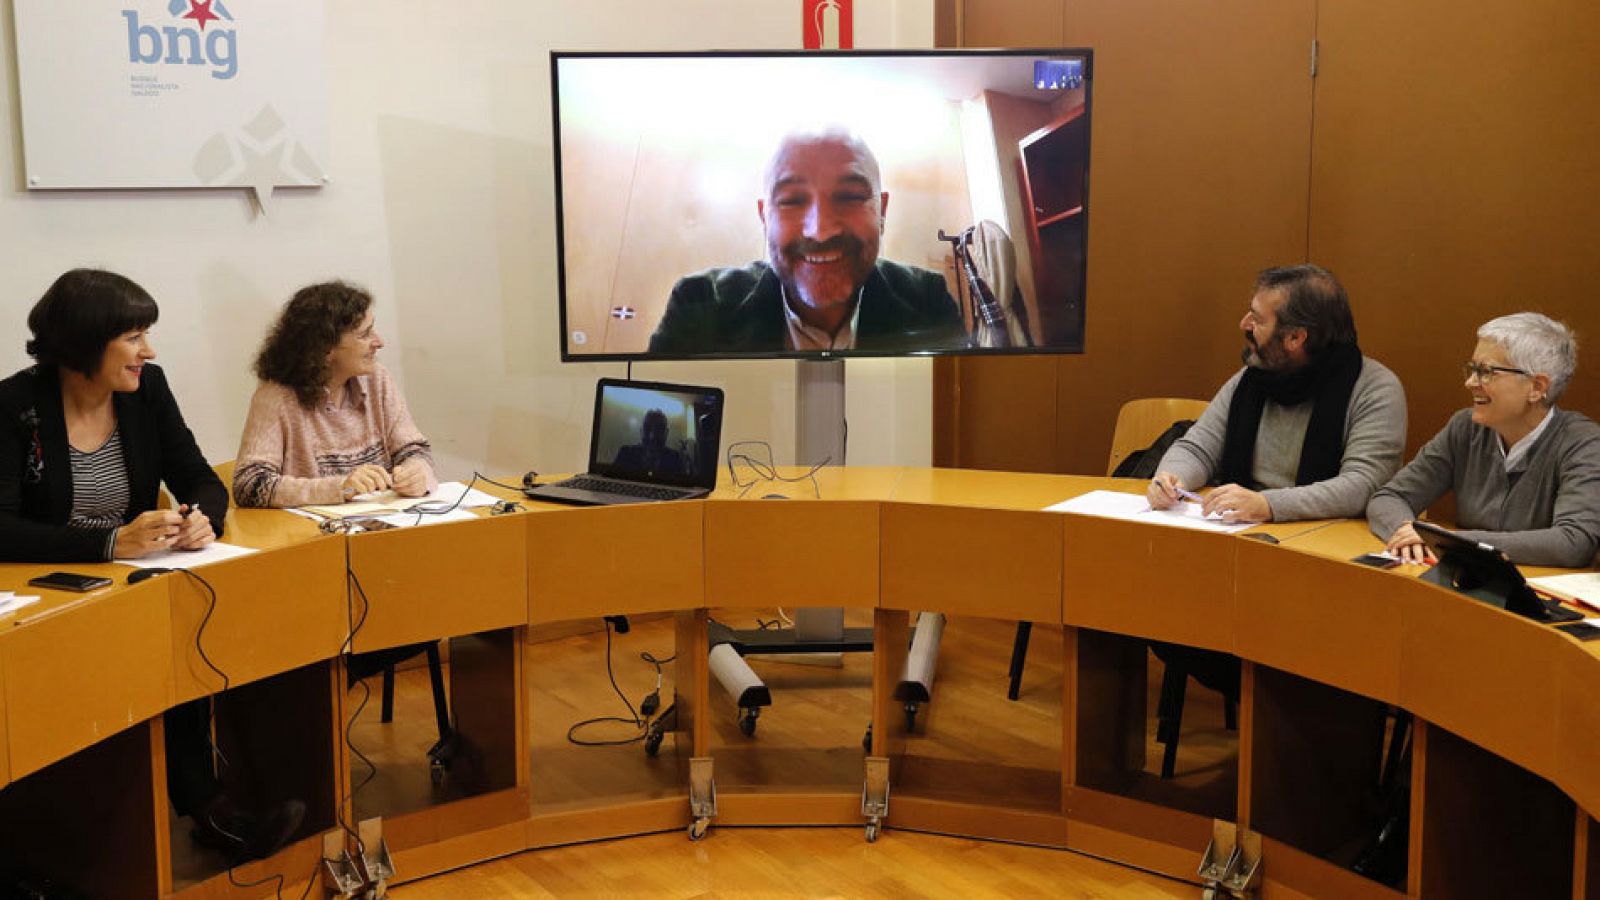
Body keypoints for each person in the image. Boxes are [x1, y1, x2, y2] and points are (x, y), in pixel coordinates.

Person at [0, 269, 301, 863]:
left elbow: (195, 474)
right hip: (51, 589)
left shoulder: (148, 389)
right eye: (134, 337)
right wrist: (110, 543)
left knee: (194, 636)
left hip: (139, 577)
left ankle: (216, 814)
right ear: (87, 342)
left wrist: (200, 518)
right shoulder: (14, 405)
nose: (149, 351)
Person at [648, 127, 967, 355]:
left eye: (849, 196)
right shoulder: (700, 305)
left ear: (881, 211)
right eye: (791, 200)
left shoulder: (928, 301)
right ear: (765, 216)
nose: (820, 230)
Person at [1147, 264, 1408, 523]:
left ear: (1295, 338)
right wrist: (1172, 478)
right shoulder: (1253, 376)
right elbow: (1197, 448)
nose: (1244, 325)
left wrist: (1268, 504)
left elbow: (1362, 486)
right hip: (1240, 528)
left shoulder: (1375, 390)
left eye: (1257, 319)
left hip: (1321, 537)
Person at [1368, 313, 1600, 567]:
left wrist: (1452, 542)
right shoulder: (1464, 428)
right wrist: (1409, 536)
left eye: (1486, 372)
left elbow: (1574, 543)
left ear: (1537, 387)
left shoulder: (1583, 443)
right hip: (1463, 583)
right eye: (1472, 369)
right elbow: (1390, 497)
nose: (1470, 382)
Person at [233, 281, 437, 508]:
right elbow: (249, 485)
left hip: (383, 526)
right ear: (326, 349)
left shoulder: (376, 379)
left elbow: (413, 449)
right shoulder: (275, 398)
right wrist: (339, 488)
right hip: (317, 535)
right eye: (364, 335)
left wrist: (417, 472)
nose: (378, 342)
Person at [613, 409, 688, 475]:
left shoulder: (676, 459)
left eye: (659, 429)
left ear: (667, 433)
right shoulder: (625, 453)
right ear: (641, 431)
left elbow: (685, 485)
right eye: (647, 428)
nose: (652, 436)